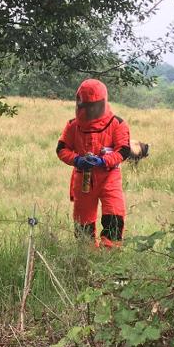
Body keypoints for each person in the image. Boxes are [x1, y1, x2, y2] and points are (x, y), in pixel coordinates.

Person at [56, 79, 130, 248]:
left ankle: (110, 252)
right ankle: (86, 251)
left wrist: (103, 161)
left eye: (94, 106)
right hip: (84, 177)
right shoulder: (73, 126)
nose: (90, 110)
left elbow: (123, 151)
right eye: (86, 106)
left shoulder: (116, 124)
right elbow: (61, 149)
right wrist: (77, 160)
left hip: (109, 176)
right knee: (83, 217)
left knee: (114, 212)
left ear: (102, 102)